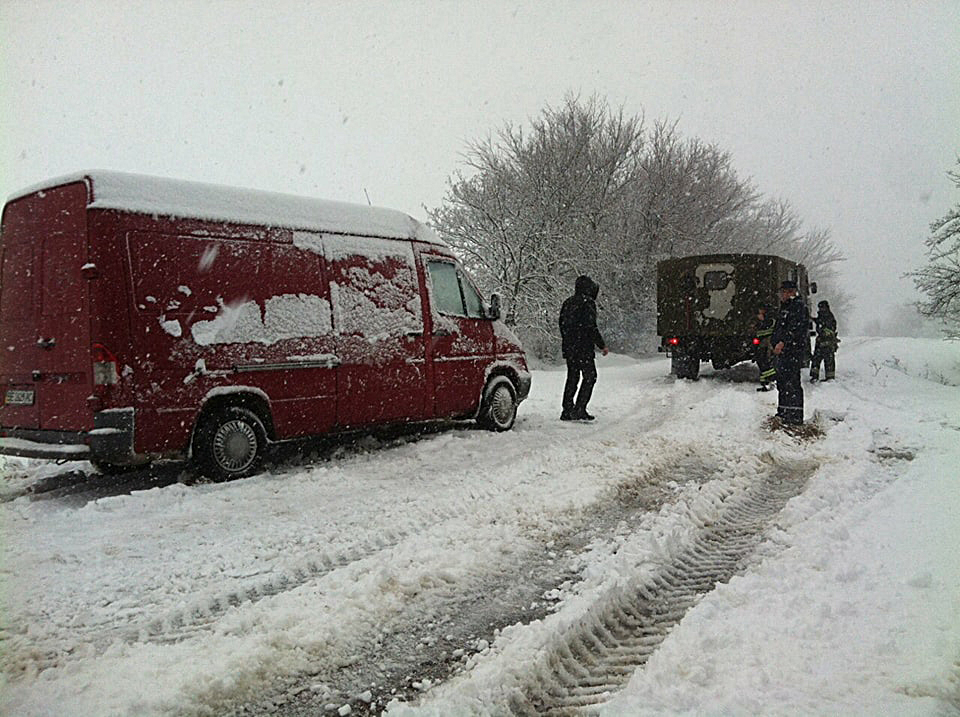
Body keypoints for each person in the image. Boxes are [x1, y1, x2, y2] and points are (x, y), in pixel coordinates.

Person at [559, 275, 608, 421]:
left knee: (572, 377)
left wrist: (568, 340)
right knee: (590, 376)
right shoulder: (588, 303)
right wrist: (601, 345)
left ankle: (567, 410)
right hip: (583, 348)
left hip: (569, 347)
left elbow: (561, 324)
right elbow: (590, 327)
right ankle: (580, 408)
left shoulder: (568, 302)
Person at [771, 280, 809, 425]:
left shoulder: (798, 307)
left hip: (792, 351)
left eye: (784, 292)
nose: (782, 295)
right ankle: (784, 412)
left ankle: (794, 416)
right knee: (783, 382)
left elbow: (796, 329)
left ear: (791, 292)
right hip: (783, 352)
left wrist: (783, 342)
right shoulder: (785, 307)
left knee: (791, 383)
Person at [810, 300, 839, 381]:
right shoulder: (825, 316)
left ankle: (825, 376)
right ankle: (822, 376)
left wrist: (824, 333)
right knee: (820, 359)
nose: (820, 309)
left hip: (826, 341)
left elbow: (829, 328)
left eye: (821, 307)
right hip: (823, 341)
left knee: (822, 358)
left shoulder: (828, 316)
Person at [753, 305, 777, 391]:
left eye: (759, 313)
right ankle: (765, 382)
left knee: (766, 363)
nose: (758, 316)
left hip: (767, 346)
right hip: (763, 346)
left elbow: (762, 334)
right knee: (762, 363)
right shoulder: (762, 323)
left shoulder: (769, 322)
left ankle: (771, 381)